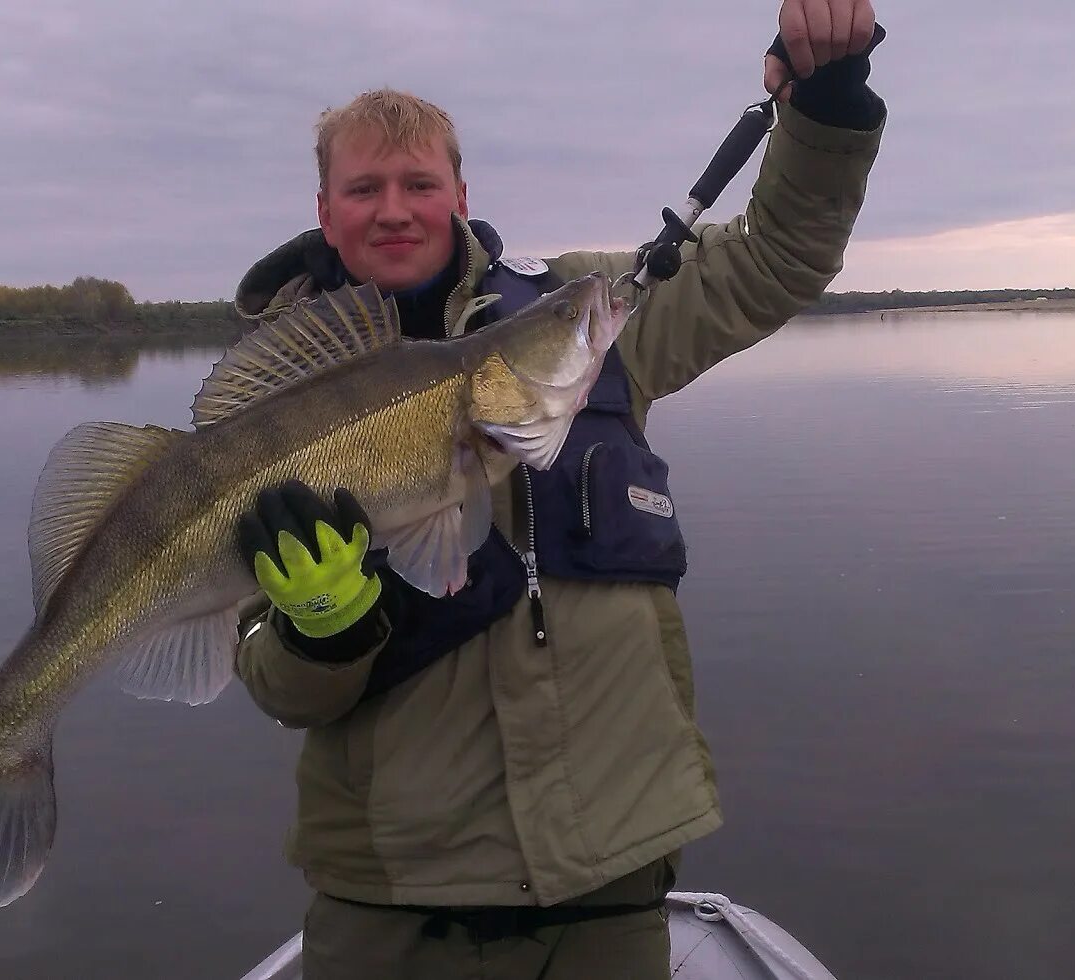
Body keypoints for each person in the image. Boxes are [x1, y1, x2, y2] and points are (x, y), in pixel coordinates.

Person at [231, 3, 886, 976]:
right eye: (364, 187)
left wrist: (824, 104)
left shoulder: (586, 310)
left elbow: (774, 258)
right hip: (386, 903)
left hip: (605, 888)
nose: (395, 206)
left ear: (459, 191)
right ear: (325, 211)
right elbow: (272, 681)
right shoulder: (272, 405)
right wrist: (315, 632)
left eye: (419, 181)